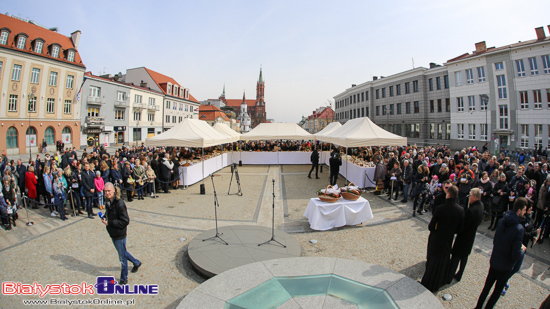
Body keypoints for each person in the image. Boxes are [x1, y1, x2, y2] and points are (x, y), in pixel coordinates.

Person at [474, 197, 528, 309]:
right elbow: (515, 254)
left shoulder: (503, 220)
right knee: (496, 292)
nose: (524, 213)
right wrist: (522, 251)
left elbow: (495, 241)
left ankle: (478, 307)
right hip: (504, 267)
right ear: (519, 210)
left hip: (494, 261)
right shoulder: (519, 229)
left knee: (486, 288)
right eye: (524, 210)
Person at [421, 185, 464, 292]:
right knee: (442, 262)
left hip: (437, 238)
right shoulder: (460, 210)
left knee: (432, 262)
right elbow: (459, 229)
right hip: (448, 239)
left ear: (448, 194)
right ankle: (439, 282)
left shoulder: (440, 209)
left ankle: (427, 282)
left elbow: (431, 226)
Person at [101, 182, 142, 285]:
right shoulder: (108, 202)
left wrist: (110, 222)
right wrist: (105, 218)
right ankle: (136, 262)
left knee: (122, 258)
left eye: (109, 191)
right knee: (123, 252)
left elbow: (125, 221)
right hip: (112, 232)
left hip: (119, 233)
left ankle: (124, 278)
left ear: (114, 190)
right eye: (105, 191)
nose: (107, 193)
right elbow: (109, 213)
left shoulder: (120, 203)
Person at [448, 188, 484, 282]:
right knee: (464, 257)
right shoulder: (480, 206)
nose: (469, 197)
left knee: (456, 257)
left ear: (475, 197)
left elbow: (463, 226)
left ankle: (449, 276)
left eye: (470, 195)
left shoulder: (471, 211)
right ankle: (459, 274)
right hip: (471, 237)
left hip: (463, 238)